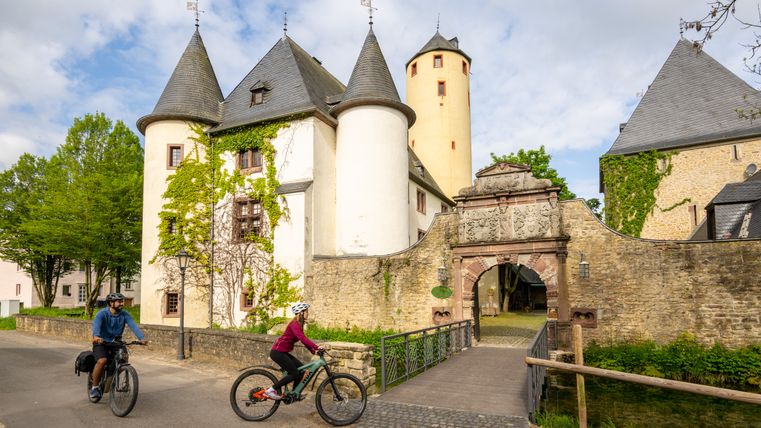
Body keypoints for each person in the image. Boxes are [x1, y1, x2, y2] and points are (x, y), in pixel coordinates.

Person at [89, 292, 147, 399]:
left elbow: (133, 325)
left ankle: (114, 377)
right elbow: (96, 326)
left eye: (122, 301)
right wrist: (96, 336)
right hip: (101, 342)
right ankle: (95, 387)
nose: (121, 304)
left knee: (123, 358)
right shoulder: (102, 314)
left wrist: (141, 338)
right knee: (102, 361)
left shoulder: (124, 314)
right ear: (111, 303)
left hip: (116, 342)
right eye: (119, 302)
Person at [260, 302, 322, 400]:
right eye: (306, 311)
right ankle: (271, 390)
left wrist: (313, 351)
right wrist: (316, 347)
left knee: (301, 371)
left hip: (282, 352)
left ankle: (294, 394)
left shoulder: (299, 324)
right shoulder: (294, 324)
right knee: (294, 373)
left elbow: (303, 340)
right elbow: (303, 338)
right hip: (277, 352)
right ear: (301, 313)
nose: (308, 313)